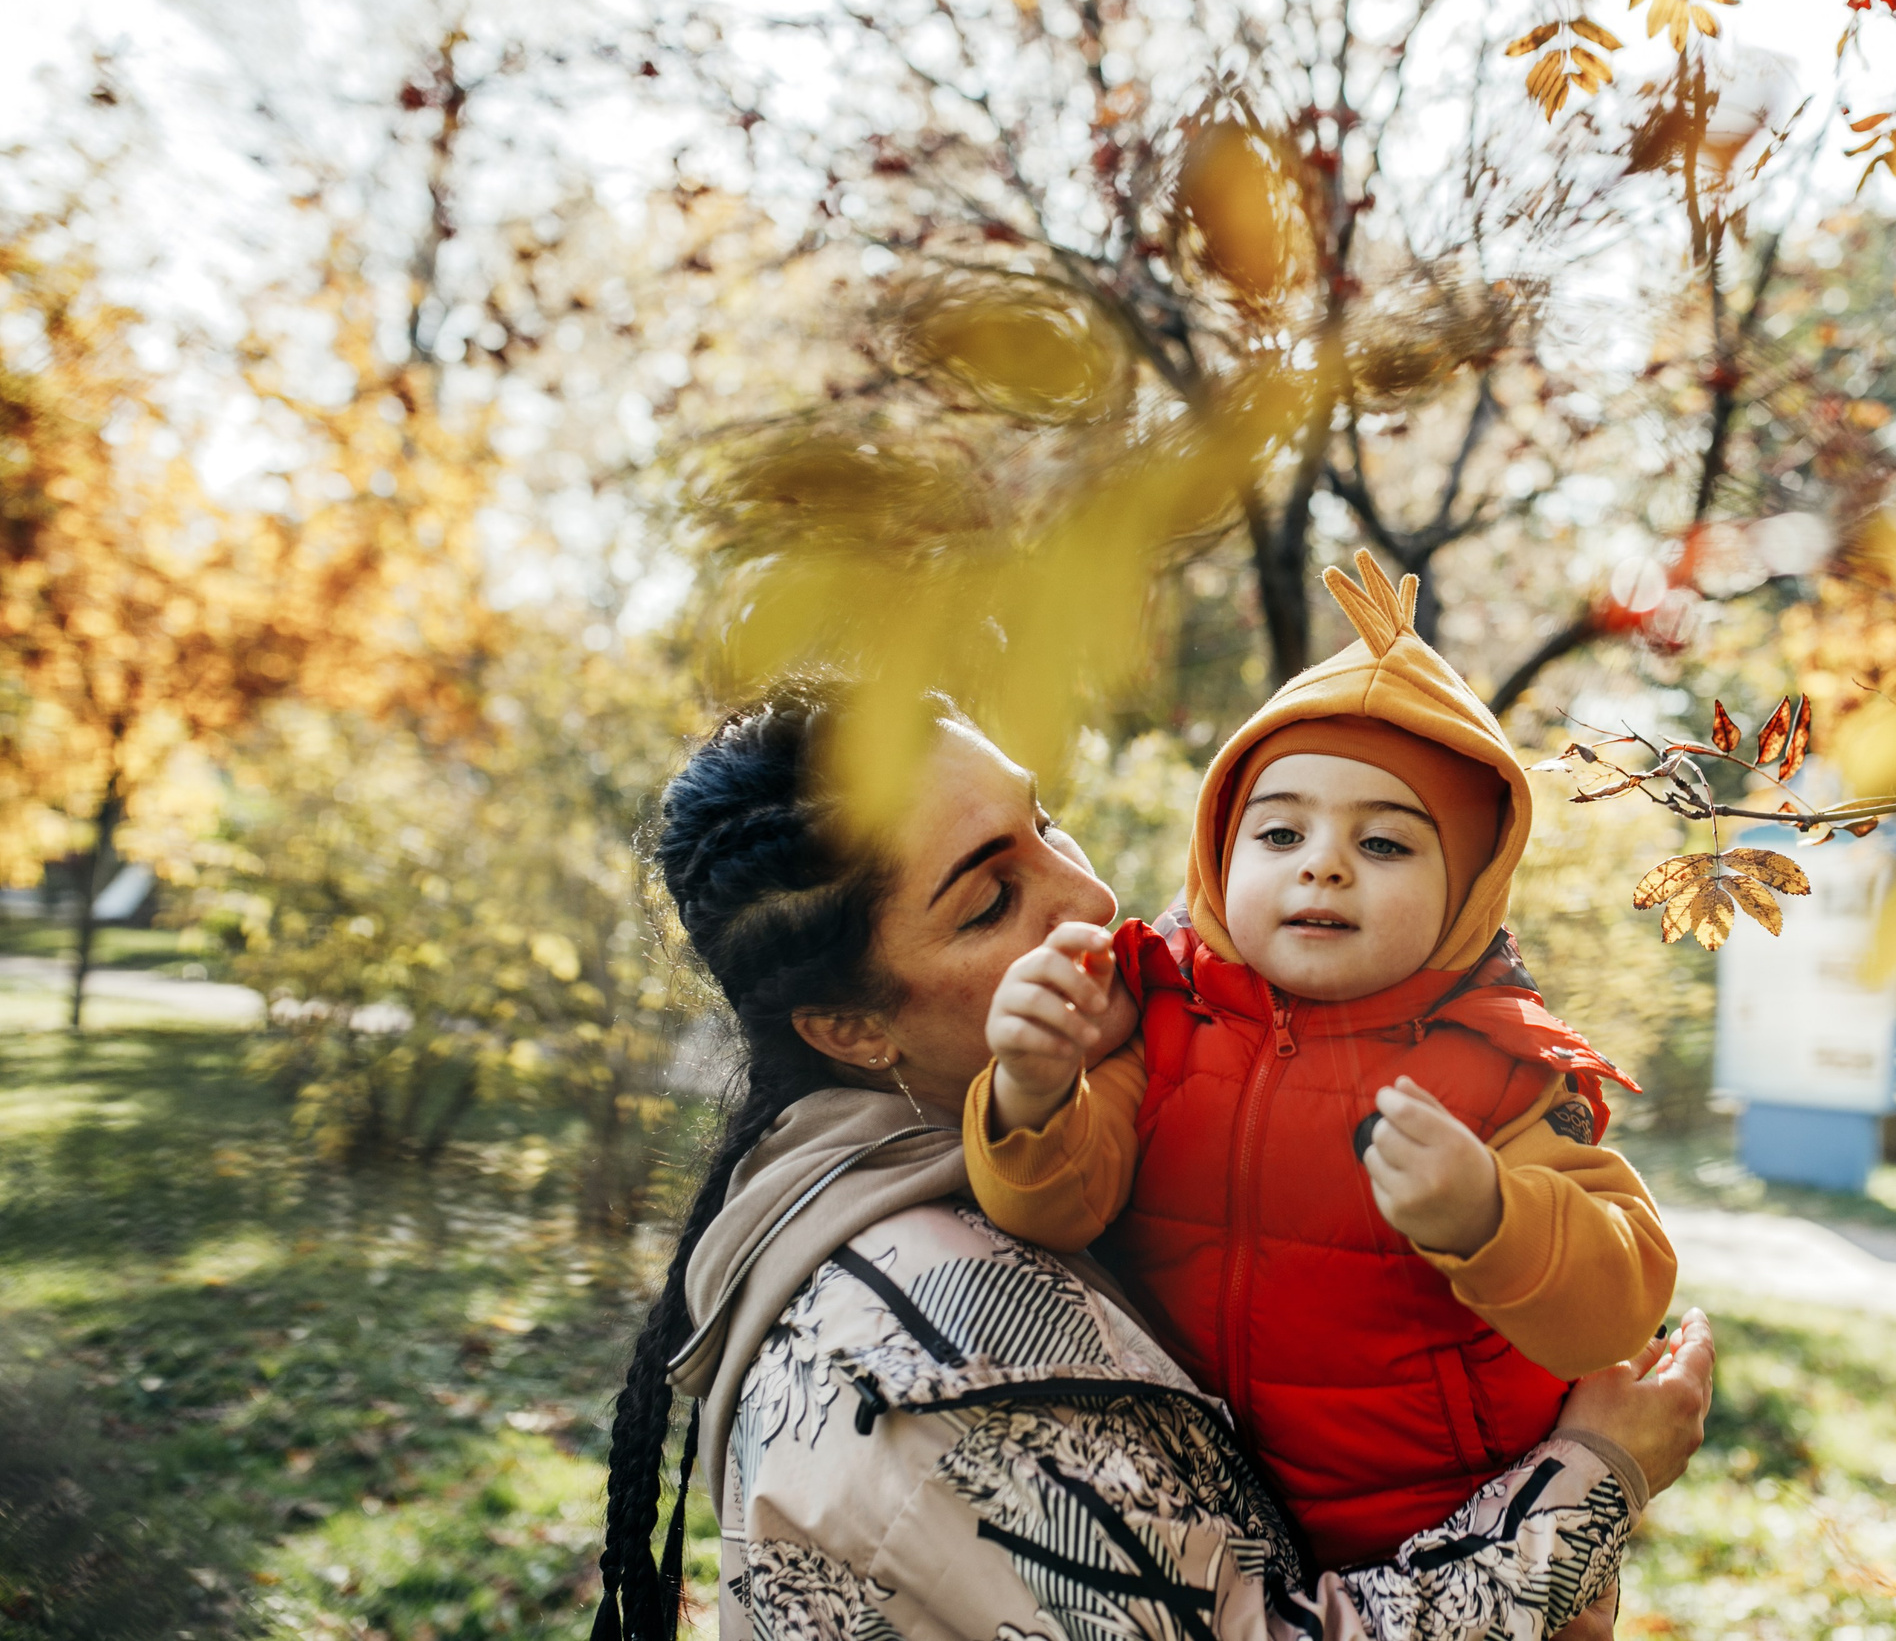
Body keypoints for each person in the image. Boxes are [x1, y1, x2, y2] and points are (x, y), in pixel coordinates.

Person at [590, 683, 1717, 1641]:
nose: (1087, 896)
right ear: (848, 1028)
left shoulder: (1103, 1102)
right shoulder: (943, 1343)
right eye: (991, 900)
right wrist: (1591, 1485)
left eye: (1046, 823)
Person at [962, 552, 1679, 1571]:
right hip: (1193, 1531)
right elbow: (1053, 1211)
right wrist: (1034, 1091)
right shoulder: (1161, 1015)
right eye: (1282, 830)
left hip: (1439, 1548)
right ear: (1219, 851)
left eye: (1385, 845)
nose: (1323, 863)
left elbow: (1619, 1300)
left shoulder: (1502, 1067)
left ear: (1467, 891)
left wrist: (1490, 1218)